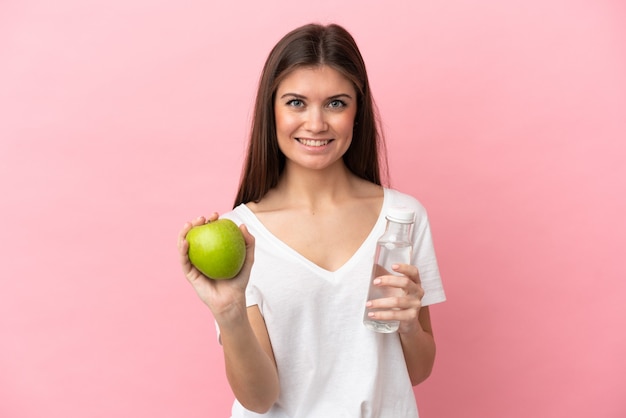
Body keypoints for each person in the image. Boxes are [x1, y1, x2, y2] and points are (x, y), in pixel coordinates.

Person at [177, 23, 446, 418]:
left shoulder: (401, 220)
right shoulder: (242, 235)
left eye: (336, 103)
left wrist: (408, 325)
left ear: (358, 109)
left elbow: (419, 371)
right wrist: (229, 312)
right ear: (272, 110)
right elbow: (260, 398)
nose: (316, 123)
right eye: (296, 103)